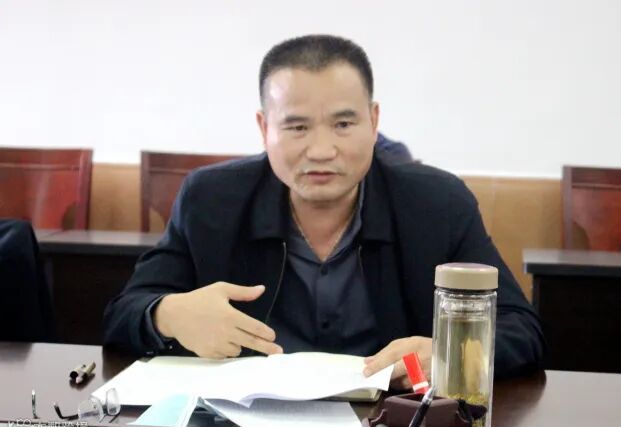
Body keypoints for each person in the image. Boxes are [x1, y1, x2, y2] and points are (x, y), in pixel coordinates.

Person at [104, 35, 544, 388]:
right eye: (297, 126)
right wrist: (167, 314)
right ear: (264, 128)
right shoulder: (210, 199)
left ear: (374, 121)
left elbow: (520, 329)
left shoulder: (437, 203)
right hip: (246, 421)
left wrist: (448, 355)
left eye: (343, 124)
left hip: (389, 420)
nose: (321, 149)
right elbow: (124, 313)